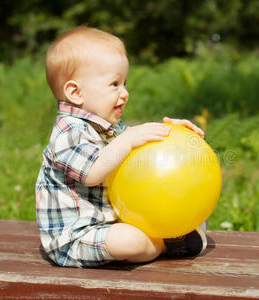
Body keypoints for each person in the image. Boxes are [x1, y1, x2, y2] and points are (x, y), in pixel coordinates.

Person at [36, 26, 207, 268]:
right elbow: (93, 172)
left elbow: (139, 149)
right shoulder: (68, 132)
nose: (125, 93)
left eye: (125, 83)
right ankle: (166, 243)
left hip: (109, 225)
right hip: (76, 238)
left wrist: (171, 132)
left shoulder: (106, 128)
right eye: (114, 84)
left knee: (135, 232)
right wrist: (128, 140)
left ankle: (167, 235)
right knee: (129, 241)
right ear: (75, 92)